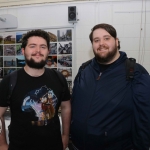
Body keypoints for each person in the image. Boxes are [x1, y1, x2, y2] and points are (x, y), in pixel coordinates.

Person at [70, 23, 150, 150]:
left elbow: (145, 118)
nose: (101, 43)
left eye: (106, 38)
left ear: (117, 42)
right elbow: (74, 104)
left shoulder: (135, 72)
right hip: (77, 145)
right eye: (96, 40)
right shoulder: (84, 69)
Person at [0, 29, 71, 150]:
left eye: (42, 47)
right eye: (32, 46)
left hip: (53, 145)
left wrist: (65, 135)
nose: (38, 51)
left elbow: (66, 107)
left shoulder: (58, 78)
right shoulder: (9, 81)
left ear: (48, 51)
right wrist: (2, 144)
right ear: (23, 51)